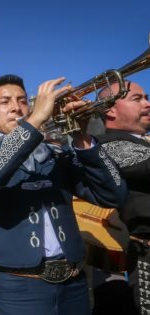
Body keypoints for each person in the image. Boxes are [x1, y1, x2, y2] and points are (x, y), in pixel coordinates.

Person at [0, 74, 127, 315]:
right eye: (5, 102)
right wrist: (35, 119)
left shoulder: (57, 152)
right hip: (18, 289)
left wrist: (82, 137)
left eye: (23, 101)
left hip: (74, 283)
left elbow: (113, 195)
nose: (16, 107)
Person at [95, 80, 150, 315]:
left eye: (146, 97)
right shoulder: (110, 143)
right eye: (137, 99)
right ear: (110, 110)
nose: (147, 104)